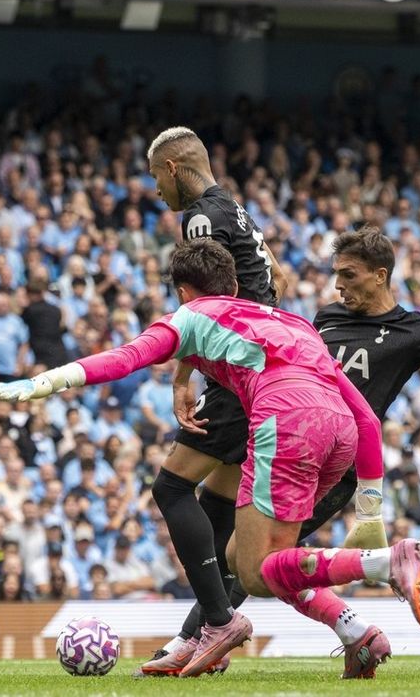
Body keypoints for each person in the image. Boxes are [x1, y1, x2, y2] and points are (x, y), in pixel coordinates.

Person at [0, 239, 420, 679]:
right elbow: (369, 424)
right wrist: (370, 507)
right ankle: (356, 632)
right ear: (234, 288)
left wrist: (48, 380)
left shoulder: (189, 316)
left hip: (285, 422)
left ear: (182, 293)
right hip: (340, 432)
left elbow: (126, 358)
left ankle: (382, 563)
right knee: (249, 558)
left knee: (257, 573)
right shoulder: (294, 322)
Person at [157, 226, 420, 672]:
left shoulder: (412, 332)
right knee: (249, 558)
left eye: (349, 275)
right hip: (280, 447)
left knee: (253, 562)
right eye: (336, 275)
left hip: (335, 465)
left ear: (380, 276)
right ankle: (357, 632)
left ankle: (191, 642)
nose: (338, 286)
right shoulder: (325, 318)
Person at [136, 127, 288, 677]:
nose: (156, 190)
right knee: (217, 506)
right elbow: (279, 282)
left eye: (155, 176)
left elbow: (207, 305)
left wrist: (184, 376)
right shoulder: (239, 212)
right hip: (264, 372)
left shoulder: (200, 217)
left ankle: (219, 621)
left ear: (174, 168)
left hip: (237, 377)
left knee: (171, 486)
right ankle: (197, 637)